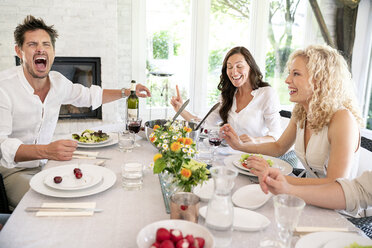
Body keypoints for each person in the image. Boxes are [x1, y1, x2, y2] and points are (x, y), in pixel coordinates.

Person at [0, 15, 151, 209]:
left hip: (46, 166)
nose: (40, 49)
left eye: (46, 44)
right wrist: (47, 150)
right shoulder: (4, 87)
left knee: (92, 187)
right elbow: (2, 145)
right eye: (32, 44)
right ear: (19, 51)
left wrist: (128, 92)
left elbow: (89, 96)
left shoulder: (57, 82)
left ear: (53, 52)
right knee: (56, 205)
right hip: (13, 172)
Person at [222, 44, 363, 185]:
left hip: (332, 204)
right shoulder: (301, 111)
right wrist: (239, 145)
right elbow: (279, 147)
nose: (287, 80)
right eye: (289, 73)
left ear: (319, 79)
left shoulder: (342, 119)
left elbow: (335, 187)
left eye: (296, 74)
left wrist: (275, 177)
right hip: (306, 195)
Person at [170, 46, 282, 144]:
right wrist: (180, 109)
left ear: (250, 67)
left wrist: (255, 140)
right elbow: (205, 123)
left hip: (255, 157)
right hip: (230, 155)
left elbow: (276, 135)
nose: (234, 72)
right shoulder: (228, 96)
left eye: (239, 66)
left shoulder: (266, 94)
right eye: (229, 67)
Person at [260, 167, 372, 216]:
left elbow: (334, 181)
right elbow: (359, 191)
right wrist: (288, 189)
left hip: (340, 213)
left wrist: (288, 184)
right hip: (316, 200)